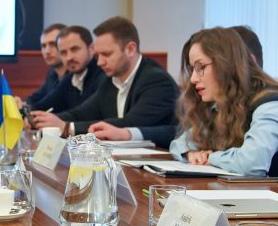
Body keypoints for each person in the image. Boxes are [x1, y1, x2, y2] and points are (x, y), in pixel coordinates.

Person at [166, 27, 278, 187]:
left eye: (201, 67)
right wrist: (191, 153)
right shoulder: (223, 105)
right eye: (192, 69)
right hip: (244, 195)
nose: (193, 79)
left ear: (227, 65)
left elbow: (251, 164)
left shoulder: (272, 107)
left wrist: (210, 157)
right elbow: (179, 144)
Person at [31, 17, 178, 144]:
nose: (100, 62)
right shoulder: (111, 80)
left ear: (131, 49)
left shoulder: (157, 80)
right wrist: (48, 121)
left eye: (106, 54)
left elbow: (131, 123)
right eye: (98, 55)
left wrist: (68, 128)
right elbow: (82, 113)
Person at [29, 25, 105, 113]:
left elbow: (84, 113)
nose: (69, 57)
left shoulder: (102, 75)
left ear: (91, 48)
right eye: (63, 52)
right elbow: (43, 105)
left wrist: (54, 118)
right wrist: (26, 110)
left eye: (75, 49)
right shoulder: (70, 77)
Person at [23, 23, 67, 107]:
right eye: (43, 46)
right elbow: (36, 98)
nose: (47, 51)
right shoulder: (52, 73)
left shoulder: (74, 76)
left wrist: (26, 107)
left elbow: (46, 104)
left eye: (53, 44)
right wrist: (21, 103)